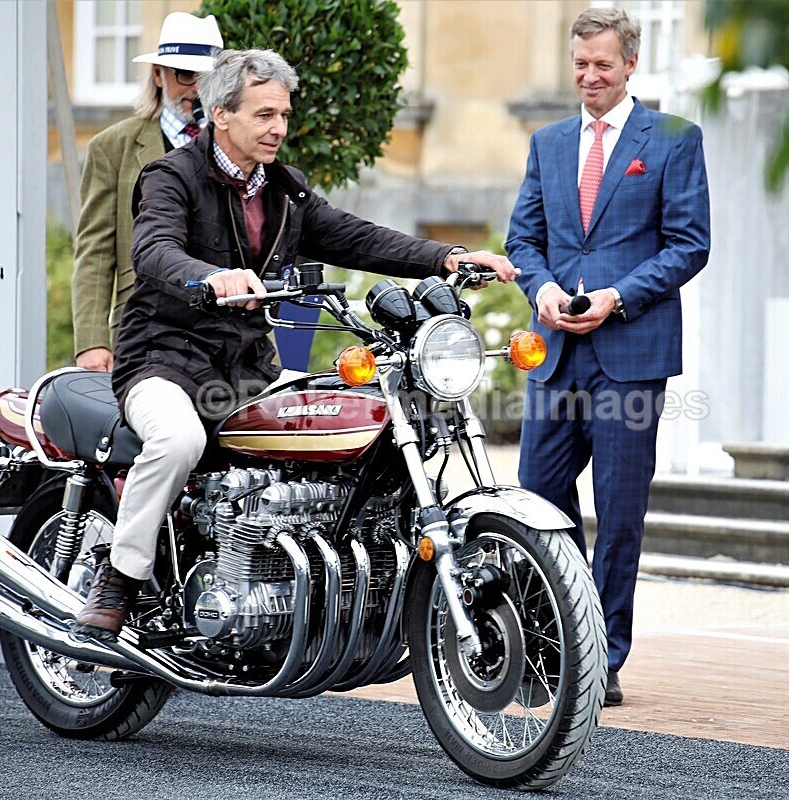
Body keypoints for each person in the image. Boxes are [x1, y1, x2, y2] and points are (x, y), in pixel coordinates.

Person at [72, 48, 515, 640]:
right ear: (221, 114)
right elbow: (152, 250)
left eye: (283, 114)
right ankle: (120, 579)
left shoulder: (285, 190)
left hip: (247, 368)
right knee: (177, 439)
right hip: (164, 361)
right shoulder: (171, 176)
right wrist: (208, 277)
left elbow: (357, 238)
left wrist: (448, 256)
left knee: (335, 422)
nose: (278, 127)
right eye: (263, 115)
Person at [505, 7, 710, 707]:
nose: (589, 76)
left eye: (601, 64)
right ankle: (552, 639)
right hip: (558, 355)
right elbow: (522, 240)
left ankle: (604, 658)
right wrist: (544, 288)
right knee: (536, 499)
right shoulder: (548, 142)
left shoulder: (676, 140)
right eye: (580, 64)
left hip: (631, 352)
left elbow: (690, 244)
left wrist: (618, 296)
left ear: (629, 65)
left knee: (619, 513)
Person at [71, 12, 223, 373]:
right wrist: (92, 342)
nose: (197, 89)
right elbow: (94, 250)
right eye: (186, 74)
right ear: (158, 75)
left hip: (223, 331)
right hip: (142, 327)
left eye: (209, 77)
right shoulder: (113, 147)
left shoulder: (240, 145)